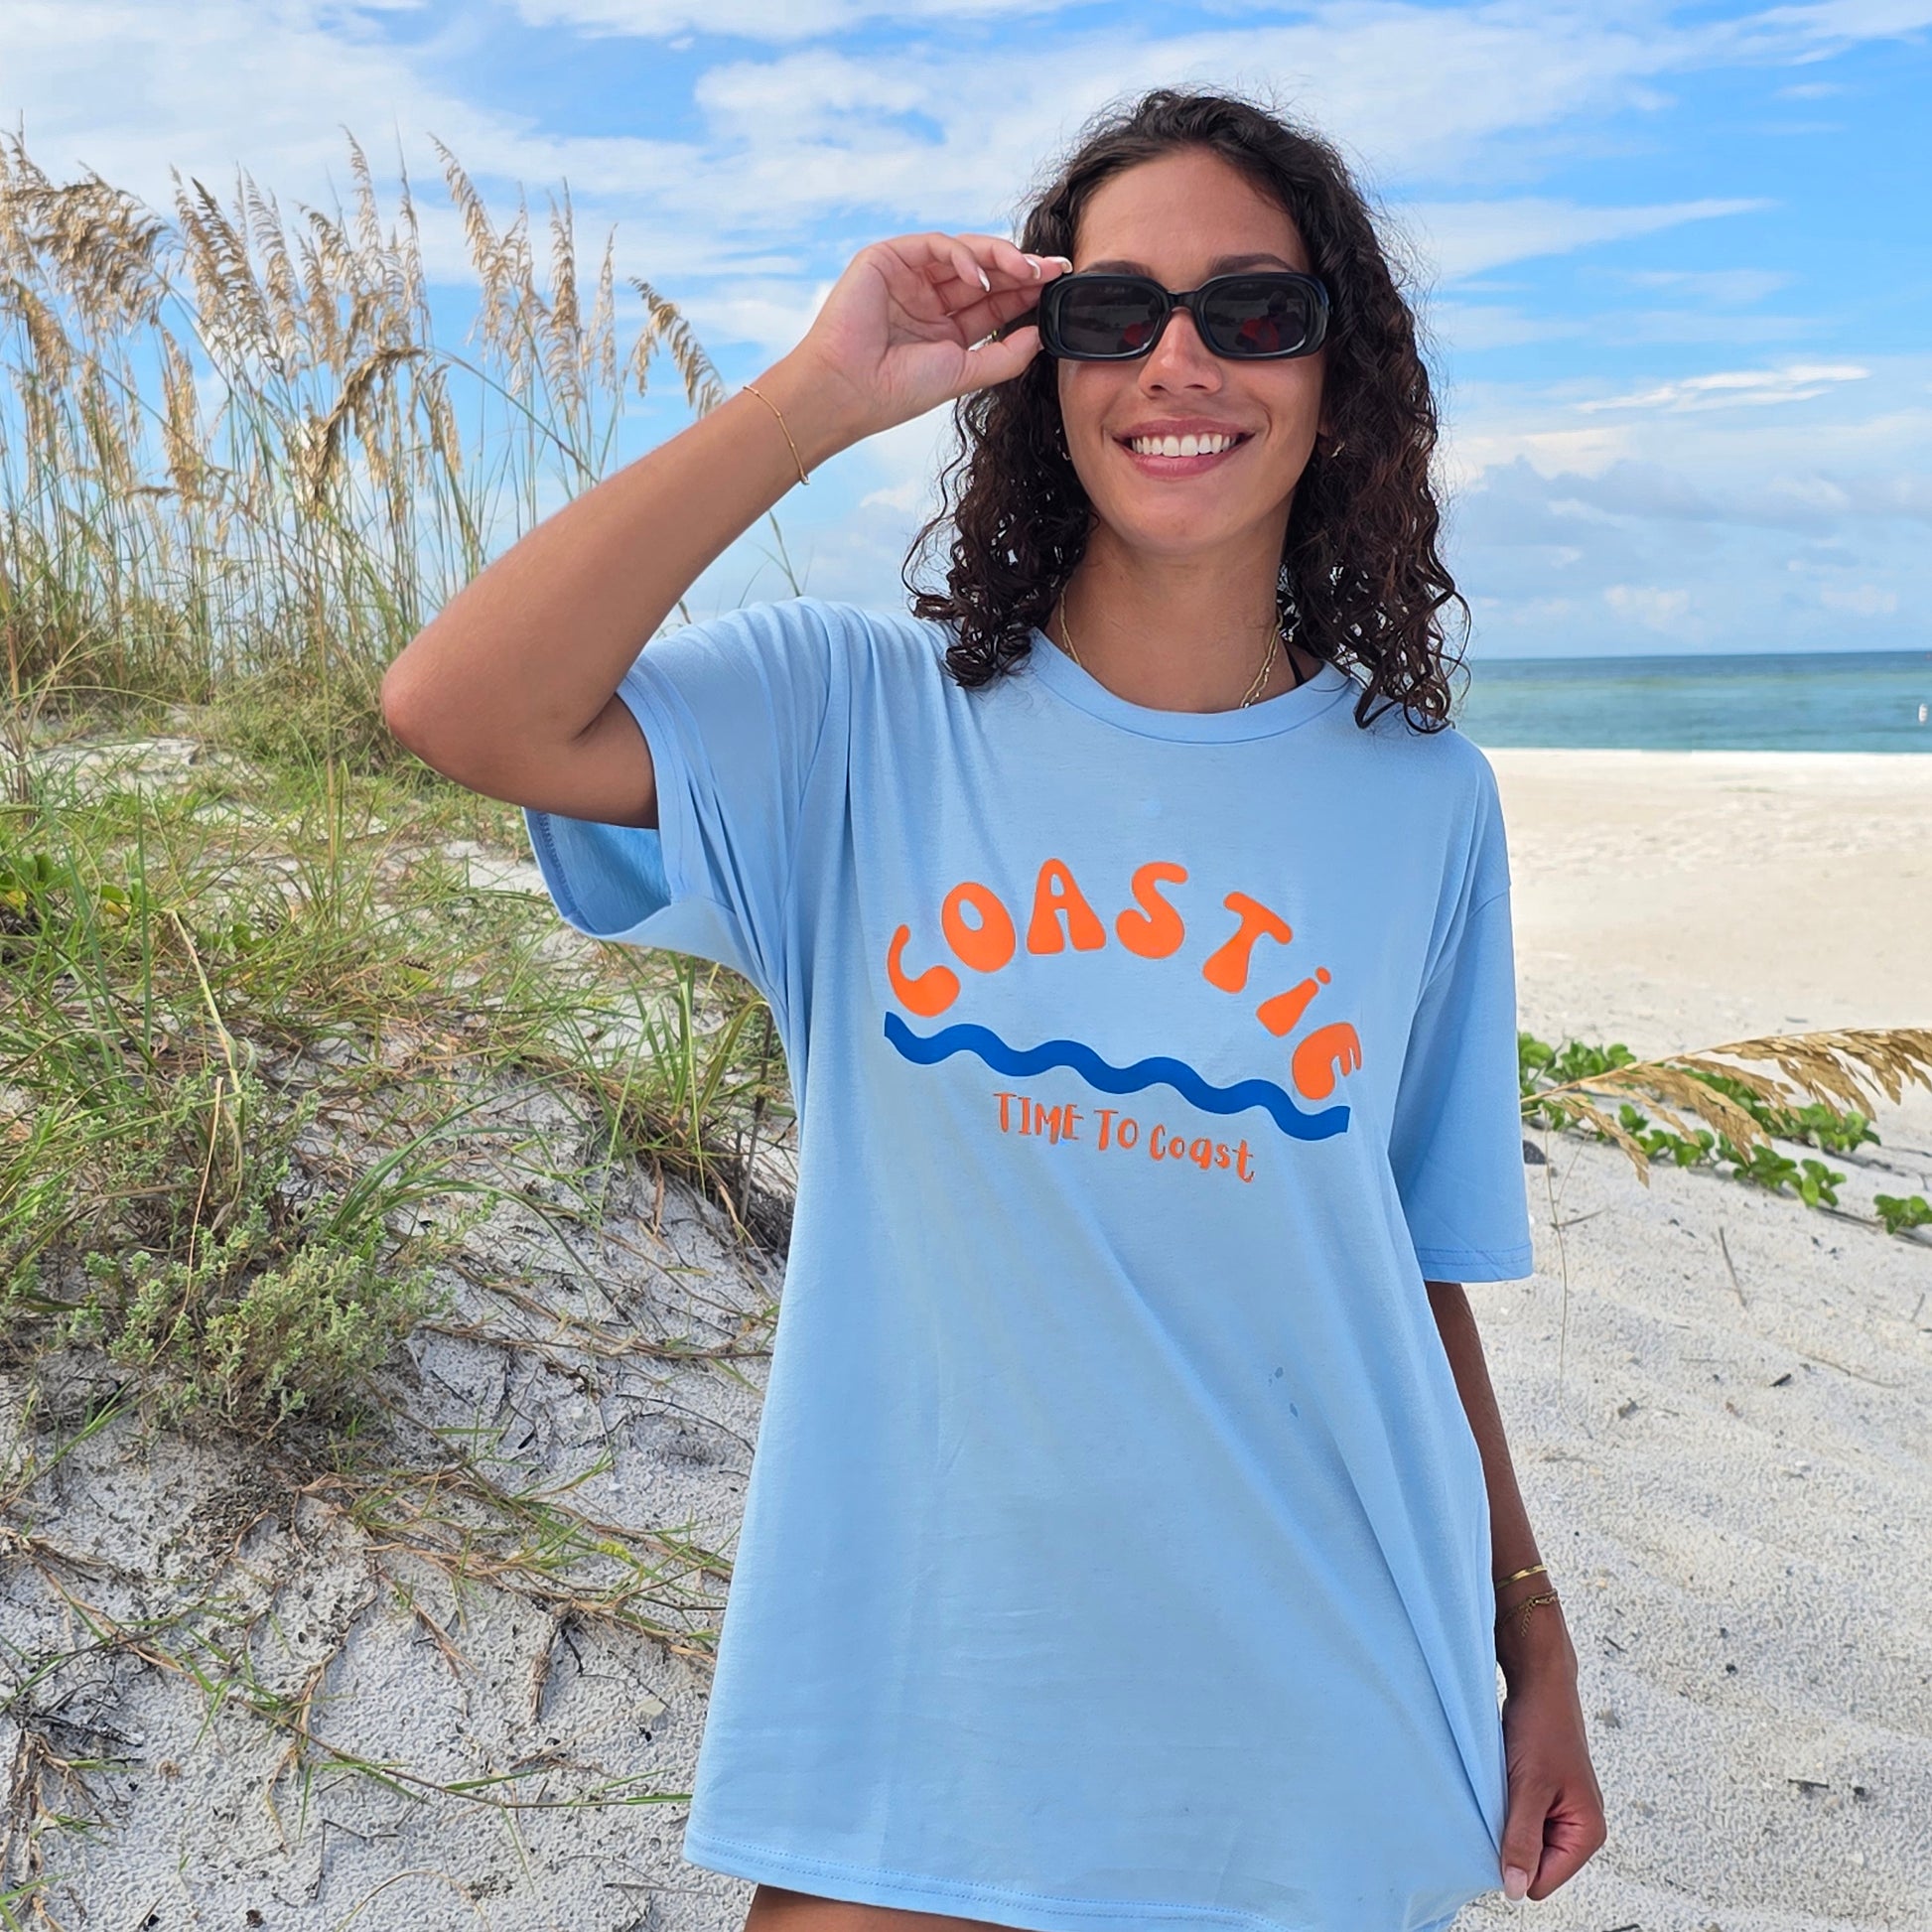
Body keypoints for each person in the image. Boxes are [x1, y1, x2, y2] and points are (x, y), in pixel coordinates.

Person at [382, 83, 1607, 1932]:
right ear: (1045, 369)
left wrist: (1530, 1625)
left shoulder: (1421, 800)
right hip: (935, 1705)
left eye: (1253, 309)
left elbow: (1405, 1260)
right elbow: (464, 704)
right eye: (1115, 314)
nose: (1179, 360)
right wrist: (819, 390)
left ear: (1338, 374)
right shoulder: (851, 722)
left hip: (1328, 1720)